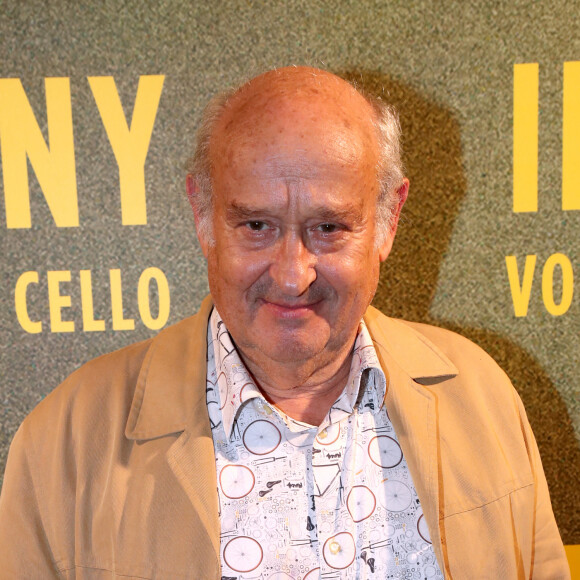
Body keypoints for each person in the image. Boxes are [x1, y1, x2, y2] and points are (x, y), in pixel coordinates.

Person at [0, 66, 569, 579]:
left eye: (329, 228)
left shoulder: (481, 394)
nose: (293, 276)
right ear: (203, 216)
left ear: (388, 220)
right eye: (256, 226)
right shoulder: (67, 441)